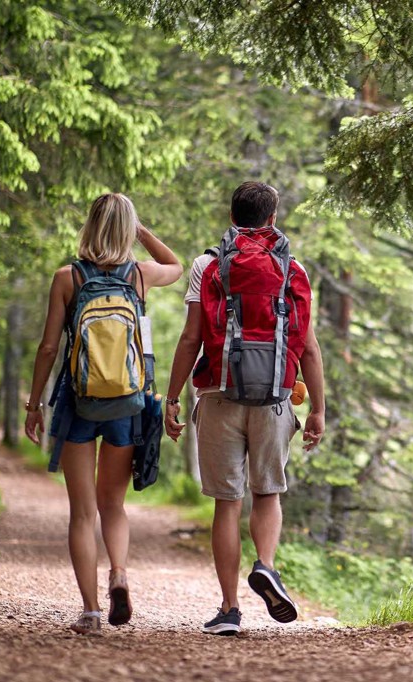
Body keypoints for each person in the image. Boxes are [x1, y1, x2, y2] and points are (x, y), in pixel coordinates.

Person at [164, 181, 325, 636]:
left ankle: (230, 609)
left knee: (226, 503)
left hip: (217, 395)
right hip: (275, 396)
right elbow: (308, 347)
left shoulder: (207, 265)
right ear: (272, 219)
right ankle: (267, 566)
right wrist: (317, 410)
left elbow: (191, 337)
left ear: (231, 215)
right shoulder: (293, 268)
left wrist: (171, 397)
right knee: (267, 492)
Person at [25, 193, 183, 635]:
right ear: (127, 229)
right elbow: (176, 264)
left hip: (78, 403)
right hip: (127, 403)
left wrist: (34, 404)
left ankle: (91, 613)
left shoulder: (67, 277)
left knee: (82, 513)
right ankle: (119, 572)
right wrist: (141, 232)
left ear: (89, 226)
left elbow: (49, 348)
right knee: (113, 504)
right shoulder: (140, 275)